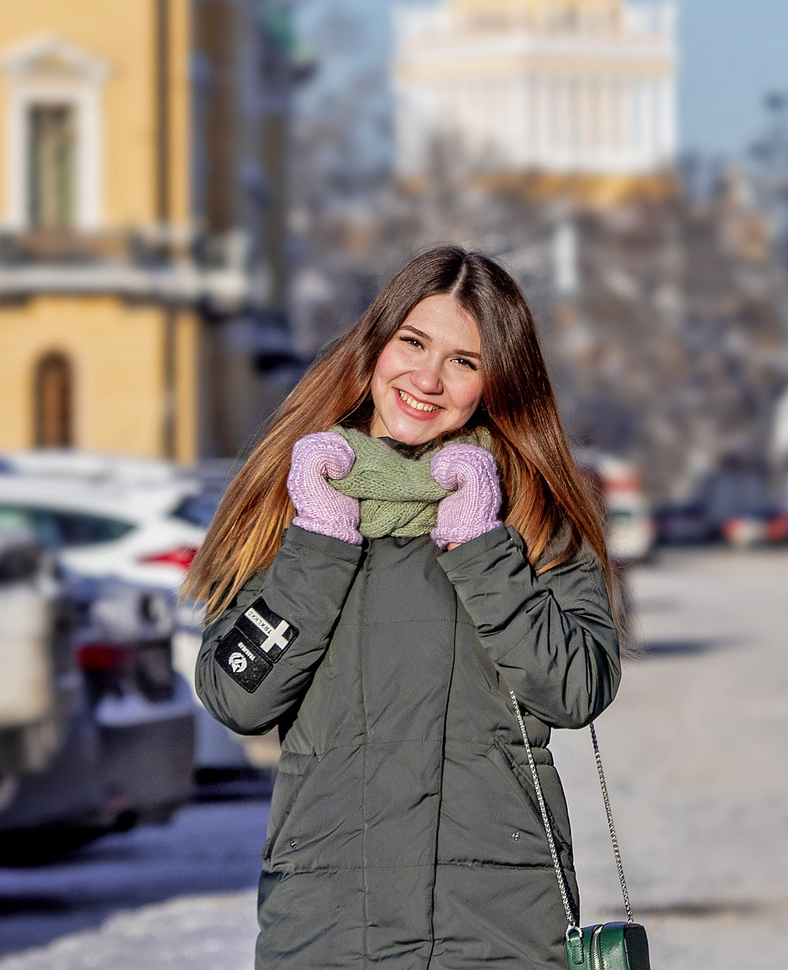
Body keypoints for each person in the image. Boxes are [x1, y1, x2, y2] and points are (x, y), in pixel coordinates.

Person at [188, 245, 623, 970]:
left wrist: (484, 543)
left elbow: (576, 688)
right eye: (413, 343)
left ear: (498, 381)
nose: (426, 379)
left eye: (464, 360)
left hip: (496, 932)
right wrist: (319, 543)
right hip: (329, 929)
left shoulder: (532, 512)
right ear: (376, 344)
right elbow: (236, 693)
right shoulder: (293, 497)